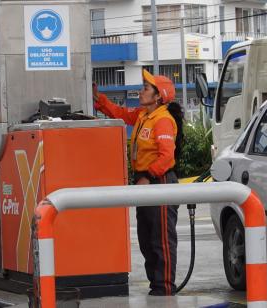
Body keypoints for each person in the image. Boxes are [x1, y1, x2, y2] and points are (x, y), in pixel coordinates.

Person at [93, 70, 183, 296]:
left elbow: (167, 157)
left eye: (145, 88)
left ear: (158, 96)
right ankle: (156, 286)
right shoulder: (145, 115)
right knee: (146, 237)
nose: (140, 91)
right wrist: (99, 99)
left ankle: (164, 289)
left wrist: (149, 176)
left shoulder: (162, 120)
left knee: (160, 239)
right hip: (146, 183)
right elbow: (122, 113)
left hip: (158, 182)